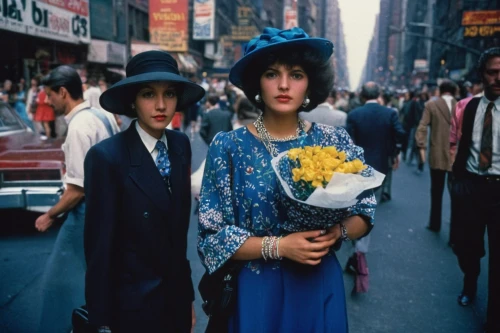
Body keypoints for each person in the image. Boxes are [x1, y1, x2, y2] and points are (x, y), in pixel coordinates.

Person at [197, 27, 376, 333]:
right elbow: (212, 238)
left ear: (310, 84)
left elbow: (366, 209)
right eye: (271, 74)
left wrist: (337, 232)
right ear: (257, 82)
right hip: (255, 290)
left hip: (317, 281)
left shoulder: (333, 141)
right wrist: (279, 246)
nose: (283, 85)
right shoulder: (228, 147)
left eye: (295, 74)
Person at [84, 50, 205, 333]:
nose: (161, 105)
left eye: (170, 94)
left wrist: (186, 298)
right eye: (149, 94)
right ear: (133, 101)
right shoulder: (106, 157)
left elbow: (177, 239)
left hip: (174, 301)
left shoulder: (179, 145)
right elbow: (99, 248)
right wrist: (100, 321)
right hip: (130, 308)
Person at [34, 66, 119, 333]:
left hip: (86, 214)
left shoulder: (79, 127)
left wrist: (50, 215)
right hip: (110, 209)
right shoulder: (101, 116)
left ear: (63, 92)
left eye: (50, 95)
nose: (48, 101)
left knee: (58, 283)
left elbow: (76, 190)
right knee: (99, 277)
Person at [451, 47, 500, 333]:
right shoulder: (466, 106)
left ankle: (493, 319)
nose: (497, 78)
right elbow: (455, 142)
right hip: (471, 186)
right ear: (482, 74)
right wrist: (457, 181)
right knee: (467, 247)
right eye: (492, 72)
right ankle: (470, 282)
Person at [415, 80, 457, 232]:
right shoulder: (462, 105)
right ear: (454, 91)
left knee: (436, 191)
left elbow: (422, 127)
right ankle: (455, 231)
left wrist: (422, 147)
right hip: (456, 156)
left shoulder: (431, 105)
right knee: (456, 195)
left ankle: (434, 224)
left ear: (440, 91)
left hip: (437, 153)